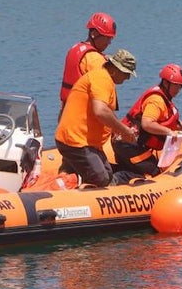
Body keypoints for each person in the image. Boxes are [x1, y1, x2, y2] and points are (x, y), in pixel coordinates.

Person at [55, 49, 139, 187]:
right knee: (103, 180)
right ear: (115, 70)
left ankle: (71, 177)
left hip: (86, 143)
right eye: (126, 74)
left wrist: (117, 131)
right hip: (77, 142)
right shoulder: (102, 79)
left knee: (107, 173)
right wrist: (124, 130)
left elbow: (106, 113)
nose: (127, 78)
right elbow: (100, 111)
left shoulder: (103, 79)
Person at [113, 63, 182, 178]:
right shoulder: (156, 101)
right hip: (128, 144)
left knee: (136, 168)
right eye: (176, 85)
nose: (179, 89)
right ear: (166, 83)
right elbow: (147, 123)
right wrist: (169, 132)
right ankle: (117, 179)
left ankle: (110, 174)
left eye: (181, 86)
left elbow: (166, 119)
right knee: (154, 173)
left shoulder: (163, 99)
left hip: (129, 143)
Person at [58, 12, 117, 120]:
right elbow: (102, 100)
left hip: (66, 116)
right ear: (94, 33)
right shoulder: (95, 59)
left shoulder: (75, 49)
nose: (109, 43)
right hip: (83, 121)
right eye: (107, 38)